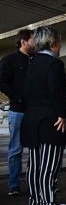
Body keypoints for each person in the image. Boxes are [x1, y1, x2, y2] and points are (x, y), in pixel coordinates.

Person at [20, 26, 66, 205]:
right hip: (51, 121)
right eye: (59, 42)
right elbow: (57, 92)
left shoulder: (31, 63)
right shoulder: (54, 64)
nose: (60, 46)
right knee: (49, 166)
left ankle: (34, 203)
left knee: (35, 166)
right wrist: (62, 115)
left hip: (31, 119)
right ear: (53, 43)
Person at [0, 29, 33, 196]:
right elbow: (2, 83)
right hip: (18, 111)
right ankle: (14, 185)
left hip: (35, 111)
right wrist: (18, 98)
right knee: (15, 149)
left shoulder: (36, 60)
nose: (36, 43)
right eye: (33, 40)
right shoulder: (9, 60)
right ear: (23, 41)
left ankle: (36, 182)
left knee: (38, 149)